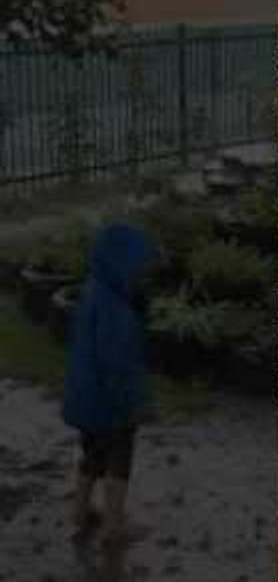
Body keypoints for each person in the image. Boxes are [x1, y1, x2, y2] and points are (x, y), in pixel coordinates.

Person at [62, 223, 159, 547]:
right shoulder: (117, 311)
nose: (142, 277)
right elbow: (118, 368)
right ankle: (113, 525)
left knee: (91, 455)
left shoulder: (94, 290)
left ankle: (80, 512)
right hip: (110, 405)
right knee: (119, 461)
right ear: (120, 267)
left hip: (85, 398)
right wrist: (134, 404)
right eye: (138, 270)